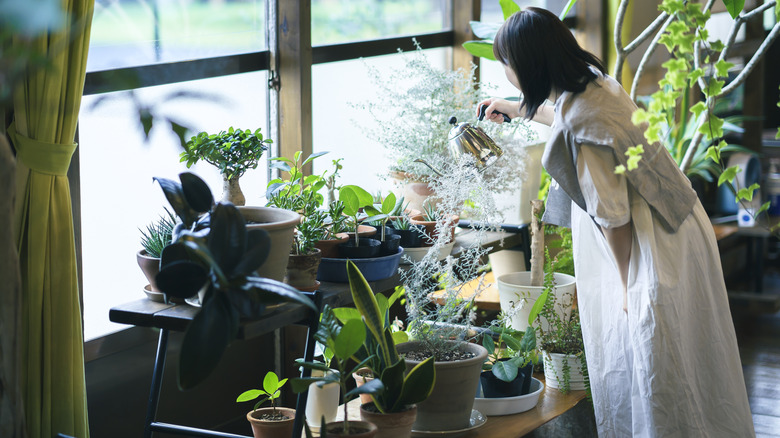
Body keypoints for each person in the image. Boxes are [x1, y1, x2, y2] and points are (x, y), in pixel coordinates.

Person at [478, 7, 755, 437]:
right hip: (678, 223)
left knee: (650, 365)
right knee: (693, 358)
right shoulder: (595, 83)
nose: (506, 72)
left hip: (649, 247)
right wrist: (518, 109)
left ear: (530, 65)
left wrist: (626, 286)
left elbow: (613, 217)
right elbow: (571, 119)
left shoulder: (581, 126)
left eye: (508, 64)